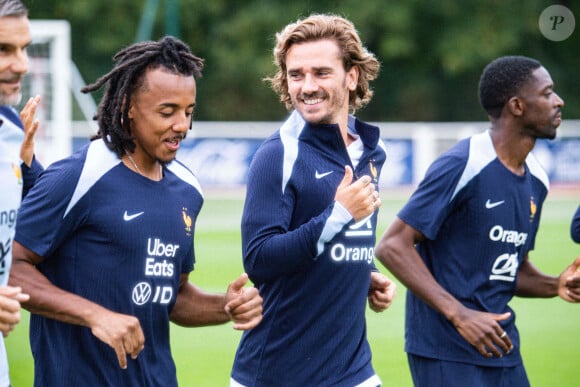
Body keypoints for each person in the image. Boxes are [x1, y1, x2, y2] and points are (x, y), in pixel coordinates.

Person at [9, 36, 263, 386]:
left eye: (189, 112)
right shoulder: (78, 176)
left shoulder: (188, 190)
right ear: (128, 105)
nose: (182, 126)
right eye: (167, 111)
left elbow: (172, 296)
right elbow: (11, 265)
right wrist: (96, 316)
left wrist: (225, 306)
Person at [375, 55, 580, 387]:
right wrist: (460, 315)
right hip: (445, 350)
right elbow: (392, 246)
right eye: (547, 93)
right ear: (517, 106)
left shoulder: (537, 181)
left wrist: (554, 284)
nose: (559, 101)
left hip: (500, 344)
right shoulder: (463, 163)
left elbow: (512, 270)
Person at [230, 14, 396, 387]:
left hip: (353, 370)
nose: (306, 87)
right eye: (295, 75)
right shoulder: (278, 154)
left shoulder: (372, 150)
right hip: (278, 373)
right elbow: (259, 258)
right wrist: (337, 215)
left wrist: (365, 271)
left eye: (321, 73)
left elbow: (343, 235)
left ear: (351, 76)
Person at [0, 1, 43, 386]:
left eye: (24, 48)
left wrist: (28, 164)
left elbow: (44, 214)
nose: (22, 65)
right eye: (3, 50)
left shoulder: (11, 129)